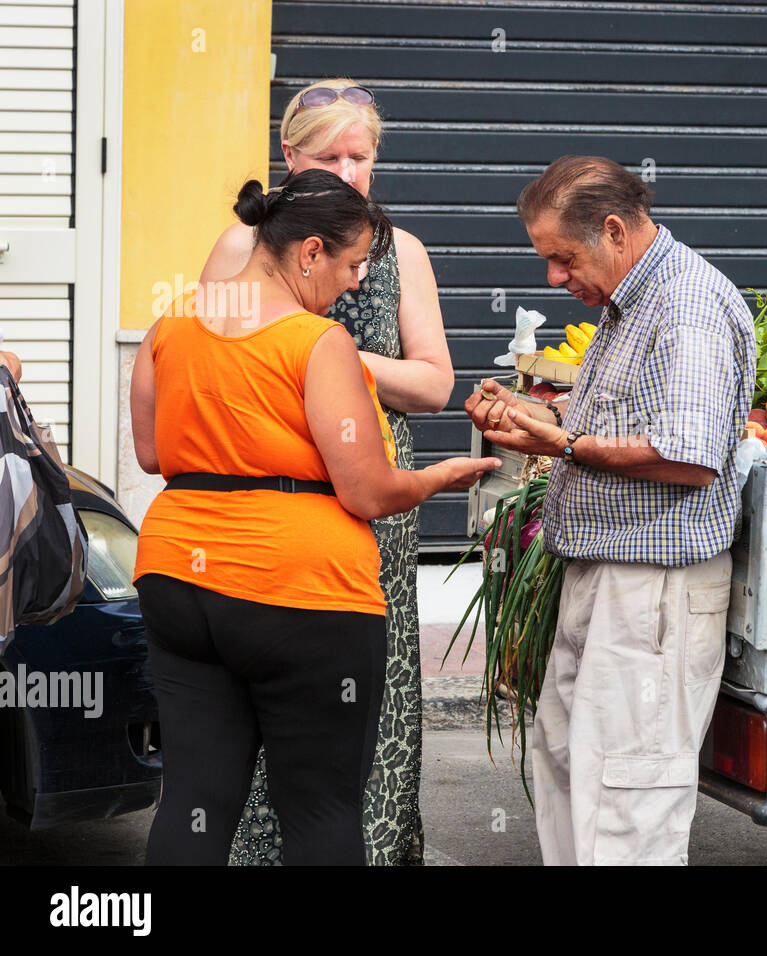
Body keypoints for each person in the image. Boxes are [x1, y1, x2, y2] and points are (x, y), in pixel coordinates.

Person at [132, 169, 498, 865]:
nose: (357, 281)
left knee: (195, 802)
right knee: (321, 811)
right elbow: (365, 491)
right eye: (353, 263)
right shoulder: (315, 342)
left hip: (179, 578)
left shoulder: (169, 325)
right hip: (300, 591)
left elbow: (152, 453)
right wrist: (436, 478)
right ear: (308, 253)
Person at [465, 155, 756, 865]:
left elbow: (688, 456)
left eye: (562, 258)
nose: (554, 278)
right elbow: (625, 424)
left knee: (628, 797)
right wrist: (535, 417)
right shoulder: (632, 303)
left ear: (616, 231)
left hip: (651, 589)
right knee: (571, 764)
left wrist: (561, 440)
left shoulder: (684, 304)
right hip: (607, 574)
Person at [200, 78, 450, 866]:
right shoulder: (240, 247)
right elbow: (209, 367)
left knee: (371, 696)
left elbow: (436, 383)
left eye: (361, 157)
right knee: (273, 692)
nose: (347, 172)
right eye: (328, 155)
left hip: (376, 503)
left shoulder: (401, 250)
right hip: (269, 503)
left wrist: (334, 360)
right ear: (289, 155)